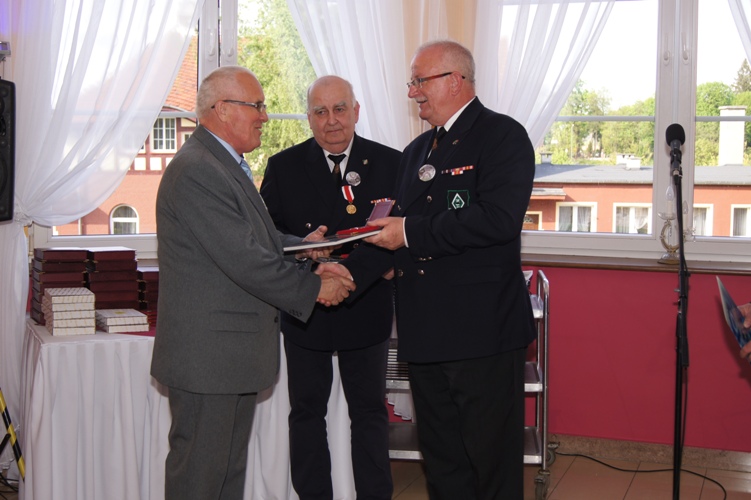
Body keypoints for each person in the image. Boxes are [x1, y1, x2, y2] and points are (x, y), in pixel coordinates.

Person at [338, 40, 537, 499]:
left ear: (455, 80)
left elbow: (498, 220)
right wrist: (344, 274)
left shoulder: (502, 136)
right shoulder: (416, 151)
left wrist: (408, 233)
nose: (412, 92)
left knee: (491, 464)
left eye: (419, 81)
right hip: (426, 334)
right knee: (443, 462)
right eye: (412, 82)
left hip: (481, 335)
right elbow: (392, 230)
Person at [151, 65, 355, 500]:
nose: (264, 116)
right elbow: (244, 259)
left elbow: (254, 237)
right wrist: (314, 287)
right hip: (209, 359)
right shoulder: (199, 170)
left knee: (225, 474)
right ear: (223, 109)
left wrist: (303, 249)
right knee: (201, 478)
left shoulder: (220, 163)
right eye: (257, 106)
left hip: (226, 357)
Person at [259, 75, 400, 500]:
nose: (331, 120)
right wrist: (303, 248)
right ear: (308, 117)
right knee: (306, 413)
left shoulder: (391, 163)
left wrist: (351, 274)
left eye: (340, 109)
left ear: (356, 111)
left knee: (370, 413)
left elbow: (399, 233)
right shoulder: (283, 166)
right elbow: (265, 236)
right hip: (306, 305)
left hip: (366, 303)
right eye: (320, 111)